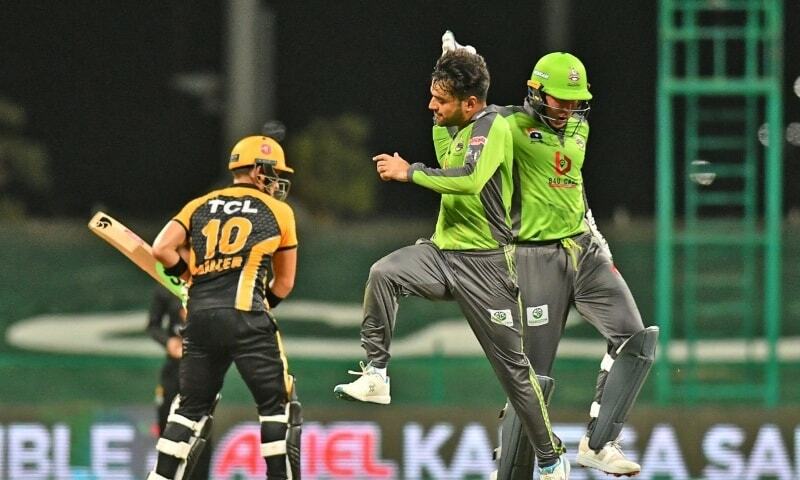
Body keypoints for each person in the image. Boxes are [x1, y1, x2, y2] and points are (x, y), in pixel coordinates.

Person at [333, 49, 570, 480]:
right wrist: (453, 61)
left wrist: (410, 173)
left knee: (516, 374)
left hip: (487, 267)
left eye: (440, 100)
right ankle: (376, 373)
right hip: (442, 255)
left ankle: (552, 459)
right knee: (383, 273)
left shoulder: (492, 125)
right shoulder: (459, 125)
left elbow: (469, 179)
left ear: (471, 103)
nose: (431, 106)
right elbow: (448, 160)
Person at [442, 34, 658, 478]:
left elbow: (570, 183)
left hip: (585, 246)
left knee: (636, 341)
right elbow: (460, 116)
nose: (567, 111)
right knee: (531, 384)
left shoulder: (579, 126)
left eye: (576, 102)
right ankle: (512, 469)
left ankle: (599, 445)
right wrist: (458, 66)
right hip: (533, 257)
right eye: (560, 101)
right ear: (535, 92)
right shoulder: (503, 126)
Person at [146, 135, 302, 480]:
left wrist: (190, 276)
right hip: (248, 315)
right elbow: (285, 283)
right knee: (278, 408)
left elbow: (161, 249)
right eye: (274, 172)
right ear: (259, 169)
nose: (277, 181)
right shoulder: (279, 211)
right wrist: (265, 306)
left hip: (200, 319)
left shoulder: (198, 205)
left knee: (188, 410)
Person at [146, 286, 211, 479]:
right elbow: (153, 325)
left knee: (200, 432)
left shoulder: (212, 281)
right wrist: (169, 342)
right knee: (168, 427)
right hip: (174, 371)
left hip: (203, 371)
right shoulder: (166, 287)